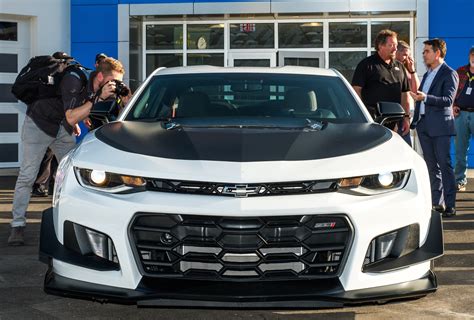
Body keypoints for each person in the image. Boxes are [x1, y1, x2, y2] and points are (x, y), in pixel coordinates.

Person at [8, 55, 126, 246]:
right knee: (28, 175)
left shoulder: (93, 85)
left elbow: (74, 112)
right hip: (38, 124)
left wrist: (123, 98)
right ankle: (17, 226)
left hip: (61, 128)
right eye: (112, 81)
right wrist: (90, 106)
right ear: (100, 78)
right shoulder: (74, 79)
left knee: (72, 173)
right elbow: (71, 115)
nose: (114, 85)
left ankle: (75, 220)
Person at [410, 38, 459, 218]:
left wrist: (426, 98)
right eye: (424, 52)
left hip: (441, 127)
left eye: (427, 51)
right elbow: (424, 97)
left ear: (437, 53)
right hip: (424, 125)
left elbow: (447, 100)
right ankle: (436, 203)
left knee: (444, 165)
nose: (424, 54)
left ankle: (450, 205)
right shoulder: (429, 73)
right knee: (432, 166)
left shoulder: (449, 73)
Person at [352, 29, 411, 146]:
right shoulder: (366, 65)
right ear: (380, 46)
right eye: (391, 45)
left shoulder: (400, 66)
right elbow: (356, 91)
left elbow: (405, 94)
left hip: (396, 124)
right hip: (372, 123)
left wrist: (406, 118)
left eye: (396, 45)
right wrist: (363, 115)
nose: (395, 49)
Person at [452, 47, 474, 192]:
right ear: (469, 56)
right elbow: (451, 91)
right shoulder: (460, 71)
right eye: (472, 55)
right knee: (460, 150)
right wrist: (453, 105)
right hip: (461, 115)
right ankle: (460, 180)